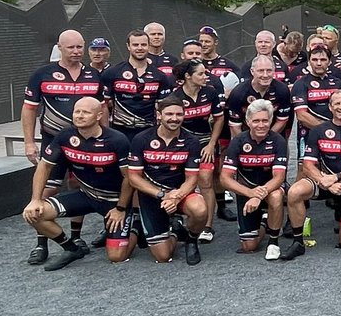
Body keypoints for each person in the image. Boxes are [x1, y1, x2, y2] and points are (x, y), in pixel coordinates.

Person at [21, 97, 135, 270]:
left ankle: (136, 228)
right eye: (77, 111)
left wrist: (120, 209)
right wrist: (35, 199)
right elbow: (44, 166)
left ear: (99, 115)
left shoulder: (117, 140)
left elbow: (129, 178)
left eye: (86, 112)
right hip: (86, 195)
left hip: (114, 201)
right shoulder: (65, 136)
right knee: (34, 214)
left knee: (116, 256)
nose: (80, 116)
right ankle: (71, 249)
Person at [21, 29, 103, 262]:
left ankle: (76, 237)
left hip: (85, 144)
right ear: (60, 47)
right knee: (46, 191)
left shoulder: (93, 76)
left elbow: (102, 111)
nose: (76, 52)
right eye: (71, 48)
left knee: (80, 186)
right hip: (54, 141)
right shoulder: (42, 74)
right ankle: (41, 243)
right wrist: (29, 142)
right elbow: (29, 109)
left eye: (80, 47)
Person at [280, 90, 341, 259]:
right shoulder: (318, 130)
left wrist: (337, 177)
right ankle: (297, 242)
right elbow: (308, 165)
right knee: (294, 192)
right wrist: (325, 180)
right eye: (337, 103)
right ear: (330, 107)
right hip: (322, 180)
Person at [126, 95, 207, 265]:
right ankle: (176, 231)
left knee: (200, 210)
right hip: (152, 195)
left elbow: (192, 179)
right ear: (159, 115)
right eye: (169, 114)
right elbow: (133, 178)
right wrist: (162, 194)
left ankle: (191, 241)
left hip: (180, 192)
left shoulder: (191, 141)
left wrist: (175, 196)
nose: (174, 119)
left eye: (179, 115)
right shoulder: (141, 139)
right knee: (163, 257)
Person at [221, 99, 288, 260]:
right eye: (256, 121)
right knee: (249, 246)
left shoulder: (278, 140)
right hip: (247, 190)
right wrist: (250, 193)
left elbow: (279, 177)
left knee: (276, 196)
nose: (261, 125)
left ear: (271, 121)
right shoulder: (238, 141)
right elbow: (225, 178)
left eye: (265, 121)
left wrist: (258, 195)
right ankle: (265, 220)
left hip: (271, 187)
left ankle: (273, 242)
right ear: (248, 122)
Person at [173, 58, 226, 242]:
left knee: (205, 180)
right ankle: (180, 218)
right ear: (188, 76)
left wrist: (212, 144)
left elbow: (219, 119)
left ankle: (208, 226)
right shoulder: (175, 97)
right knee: (182, 180)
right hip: (184, 145)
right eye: (201, 74)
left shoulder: (210, 92)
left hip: (206, 143)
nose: (206, 76)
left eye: (206, 73)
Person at [101, 30, 173, 142]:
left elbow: (162, 108)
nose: (139, 48)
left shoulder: (160, 76)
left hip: (148, 131)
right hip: (119, 130)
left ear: (149, 46)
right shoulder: (112, 73)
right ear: (128, 46)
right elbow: (104, 105)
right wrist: (105, 133)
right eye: (135, 45)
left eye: (143, 45)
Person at [225, 55, 293, 138]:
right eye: (261, 71)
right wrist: (247, 142)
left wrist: (265, 140)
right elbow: (235, 125)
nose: (265, 75)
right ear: (252, 71)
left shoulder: (282, 90)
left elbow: (282, 121)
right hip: (245, 136)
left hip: (274, 135)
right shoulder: (238, 93)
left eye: (269, 71)